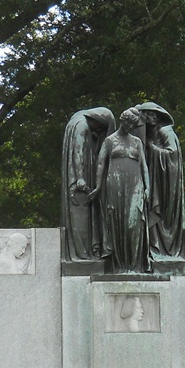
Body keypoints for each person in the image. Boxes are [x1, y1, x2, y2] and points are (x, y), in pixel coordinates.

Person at [91, 108, 152, 274]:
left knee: (134, 224)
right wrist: (98, 186)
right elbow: (101, 164)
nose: (131, 127)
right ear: (122, 120)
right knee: (118, 223)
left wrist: (148, 187)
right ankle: (120, 266)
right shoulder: (110, 141)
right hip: (115, 184)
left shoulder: (137, 142)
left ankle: (134, 265)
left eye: (134, 124)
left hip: (135, 185)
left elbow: (144, 166)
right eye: (129, 123)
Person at [136, 101, 185, 259]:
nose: (152, 117)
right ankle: (154, 246)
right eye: (148, 115)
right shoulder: (150, 134)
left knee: (162, 210)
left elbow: (172, 154)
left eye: (154, 115)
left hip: (167, 180)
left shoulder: (166, 131)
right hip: (155, 177)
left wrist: (152, 149)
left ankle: (165, 248)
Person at [61, 107, 114, 261]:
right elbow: (78, 151)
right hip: (79, 182)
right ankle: (83, 255)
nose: (98, 131)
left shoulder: (74, 121)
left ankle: (84, 253)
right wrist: (80, 177)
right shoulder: (82, 126)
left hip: (77, 177)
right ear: (96, 120)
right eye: (100, 127)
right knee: (81, 216)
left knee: (80, 216)